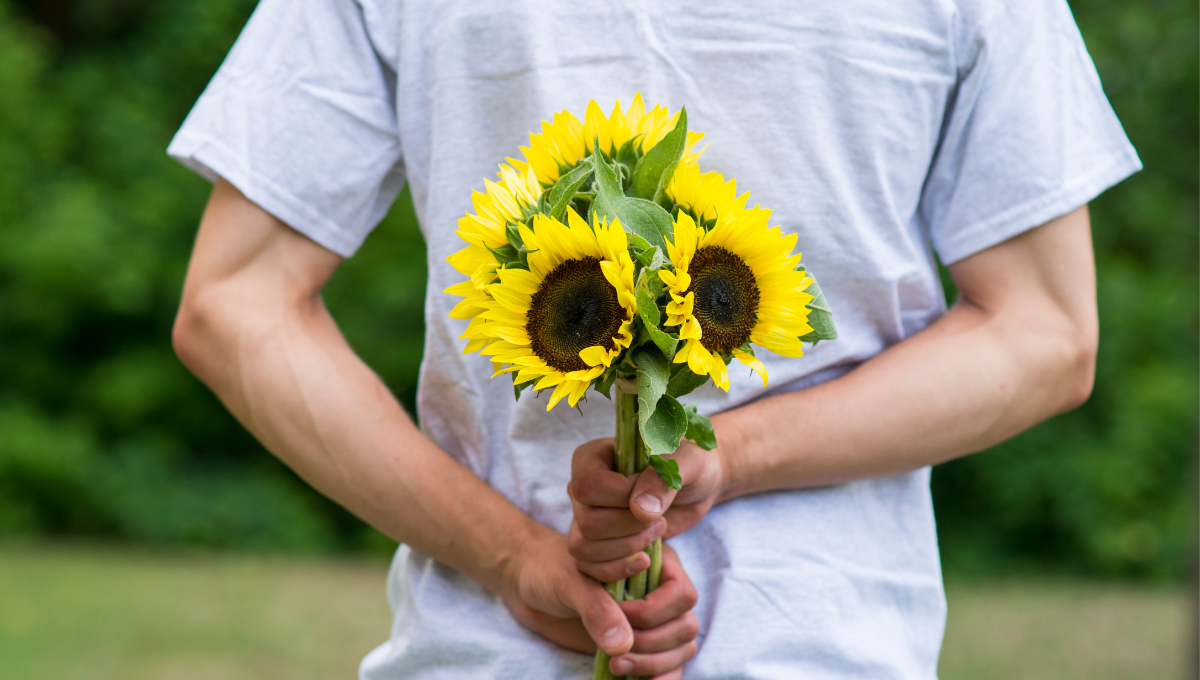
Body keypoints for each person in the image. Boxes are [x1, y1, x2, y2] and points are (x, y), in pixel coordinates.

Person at [167, 0, 1140, 678]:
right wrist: (724, 459)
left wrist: (515, 555)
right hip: (830, 643)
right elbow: (1044, 328)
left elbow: (235, 302)